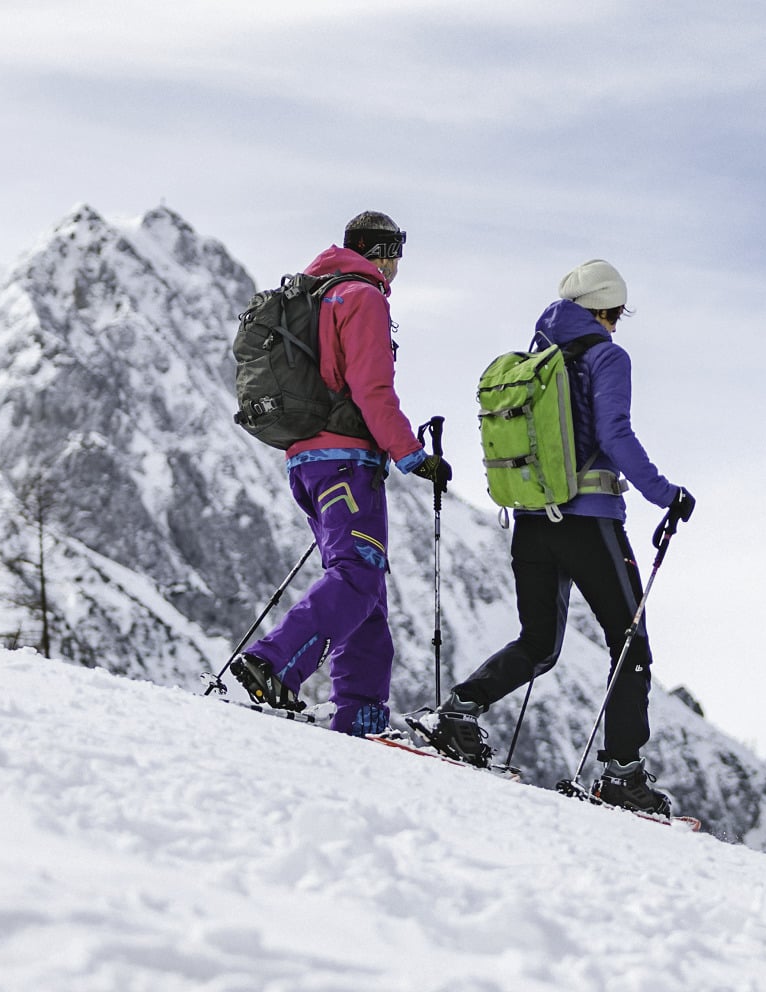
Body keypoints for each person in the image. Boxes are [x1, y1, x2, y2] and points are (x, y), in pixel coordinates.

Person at [414, 259, 697, 815]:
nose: (616, 324)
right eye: (616, 314)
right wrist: (667, 494)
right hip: (590, 522)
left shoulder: (536, 362)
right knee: (629, 647)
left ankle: (459, 712)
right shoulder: (606, 357)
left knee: (538, 642)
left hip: (531, 520)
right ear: (607, 310)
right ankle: (622, 775)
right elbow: (615, 433)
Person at [228, 211, 453, 736]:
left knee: (365, 585)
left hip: (307, 459)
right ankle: (275, 664)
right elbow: (372, 388)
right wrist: (412, 454)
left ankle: (362, 712)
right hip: (346, 459)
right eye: (396, 251)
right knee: (357, 574)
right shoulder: (363, 296)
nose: (397, 264)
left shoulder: (316, 293)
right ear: (383, 252)